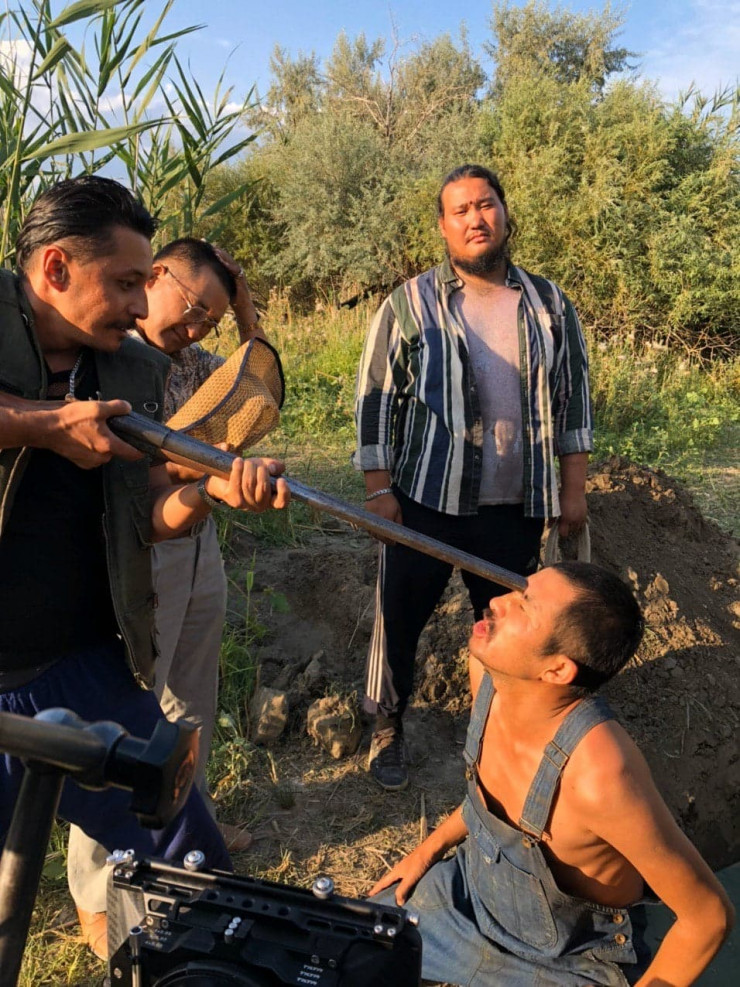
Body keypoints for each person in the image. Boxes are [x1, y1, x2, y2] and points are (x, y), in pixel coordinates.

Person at [0, 176, 289, 958]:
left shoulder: (130, 372)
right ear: (56, 268)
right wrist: (46, 426)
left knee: (194, 863)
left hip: (77, 669)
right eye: (128, 282)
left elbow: (148, 515)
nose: (140, 306)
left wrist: (209, 491)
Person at [369, 562, 734, 986]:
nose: (496, 601)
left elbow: (708, 917)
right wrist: (427, 851)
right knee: (341, 949)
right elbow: (493, 798)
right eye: (516, 590)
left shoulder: (601, 774)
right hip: (470, 900)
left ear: (558, 670)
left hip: (571, 959)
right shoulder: (488, 677)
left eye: (524, 607)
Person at [354, 163, 593, 790]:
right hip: (426, 499)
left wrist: (572, 489)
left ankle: (503, 734)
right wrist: (379, 491)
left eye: (485, 205)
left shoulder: (549, 303)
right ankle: (387, 726)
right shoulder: (408, 304)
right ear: (443, 226)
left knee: (514, 628)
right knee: (399, 615)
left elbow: (573, 400)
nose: (475, 219)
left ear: (505, 214)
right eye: (459, 210)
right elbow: (376, 400)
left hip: (516, 505)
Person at [67, 237, 263, 919]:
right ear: (154, 277)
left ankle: (187, 829)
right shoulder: (107, 358)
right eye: (193, 308)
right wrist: (197, 463)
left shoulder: (197, 366)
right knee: (127, 709)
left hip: (197, 537)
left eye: (211, 320)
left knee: (191, 694)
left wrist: (245, 315)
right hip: (138, 551)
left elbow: (258, 389)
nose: (196, 328)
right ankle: (99, 885)